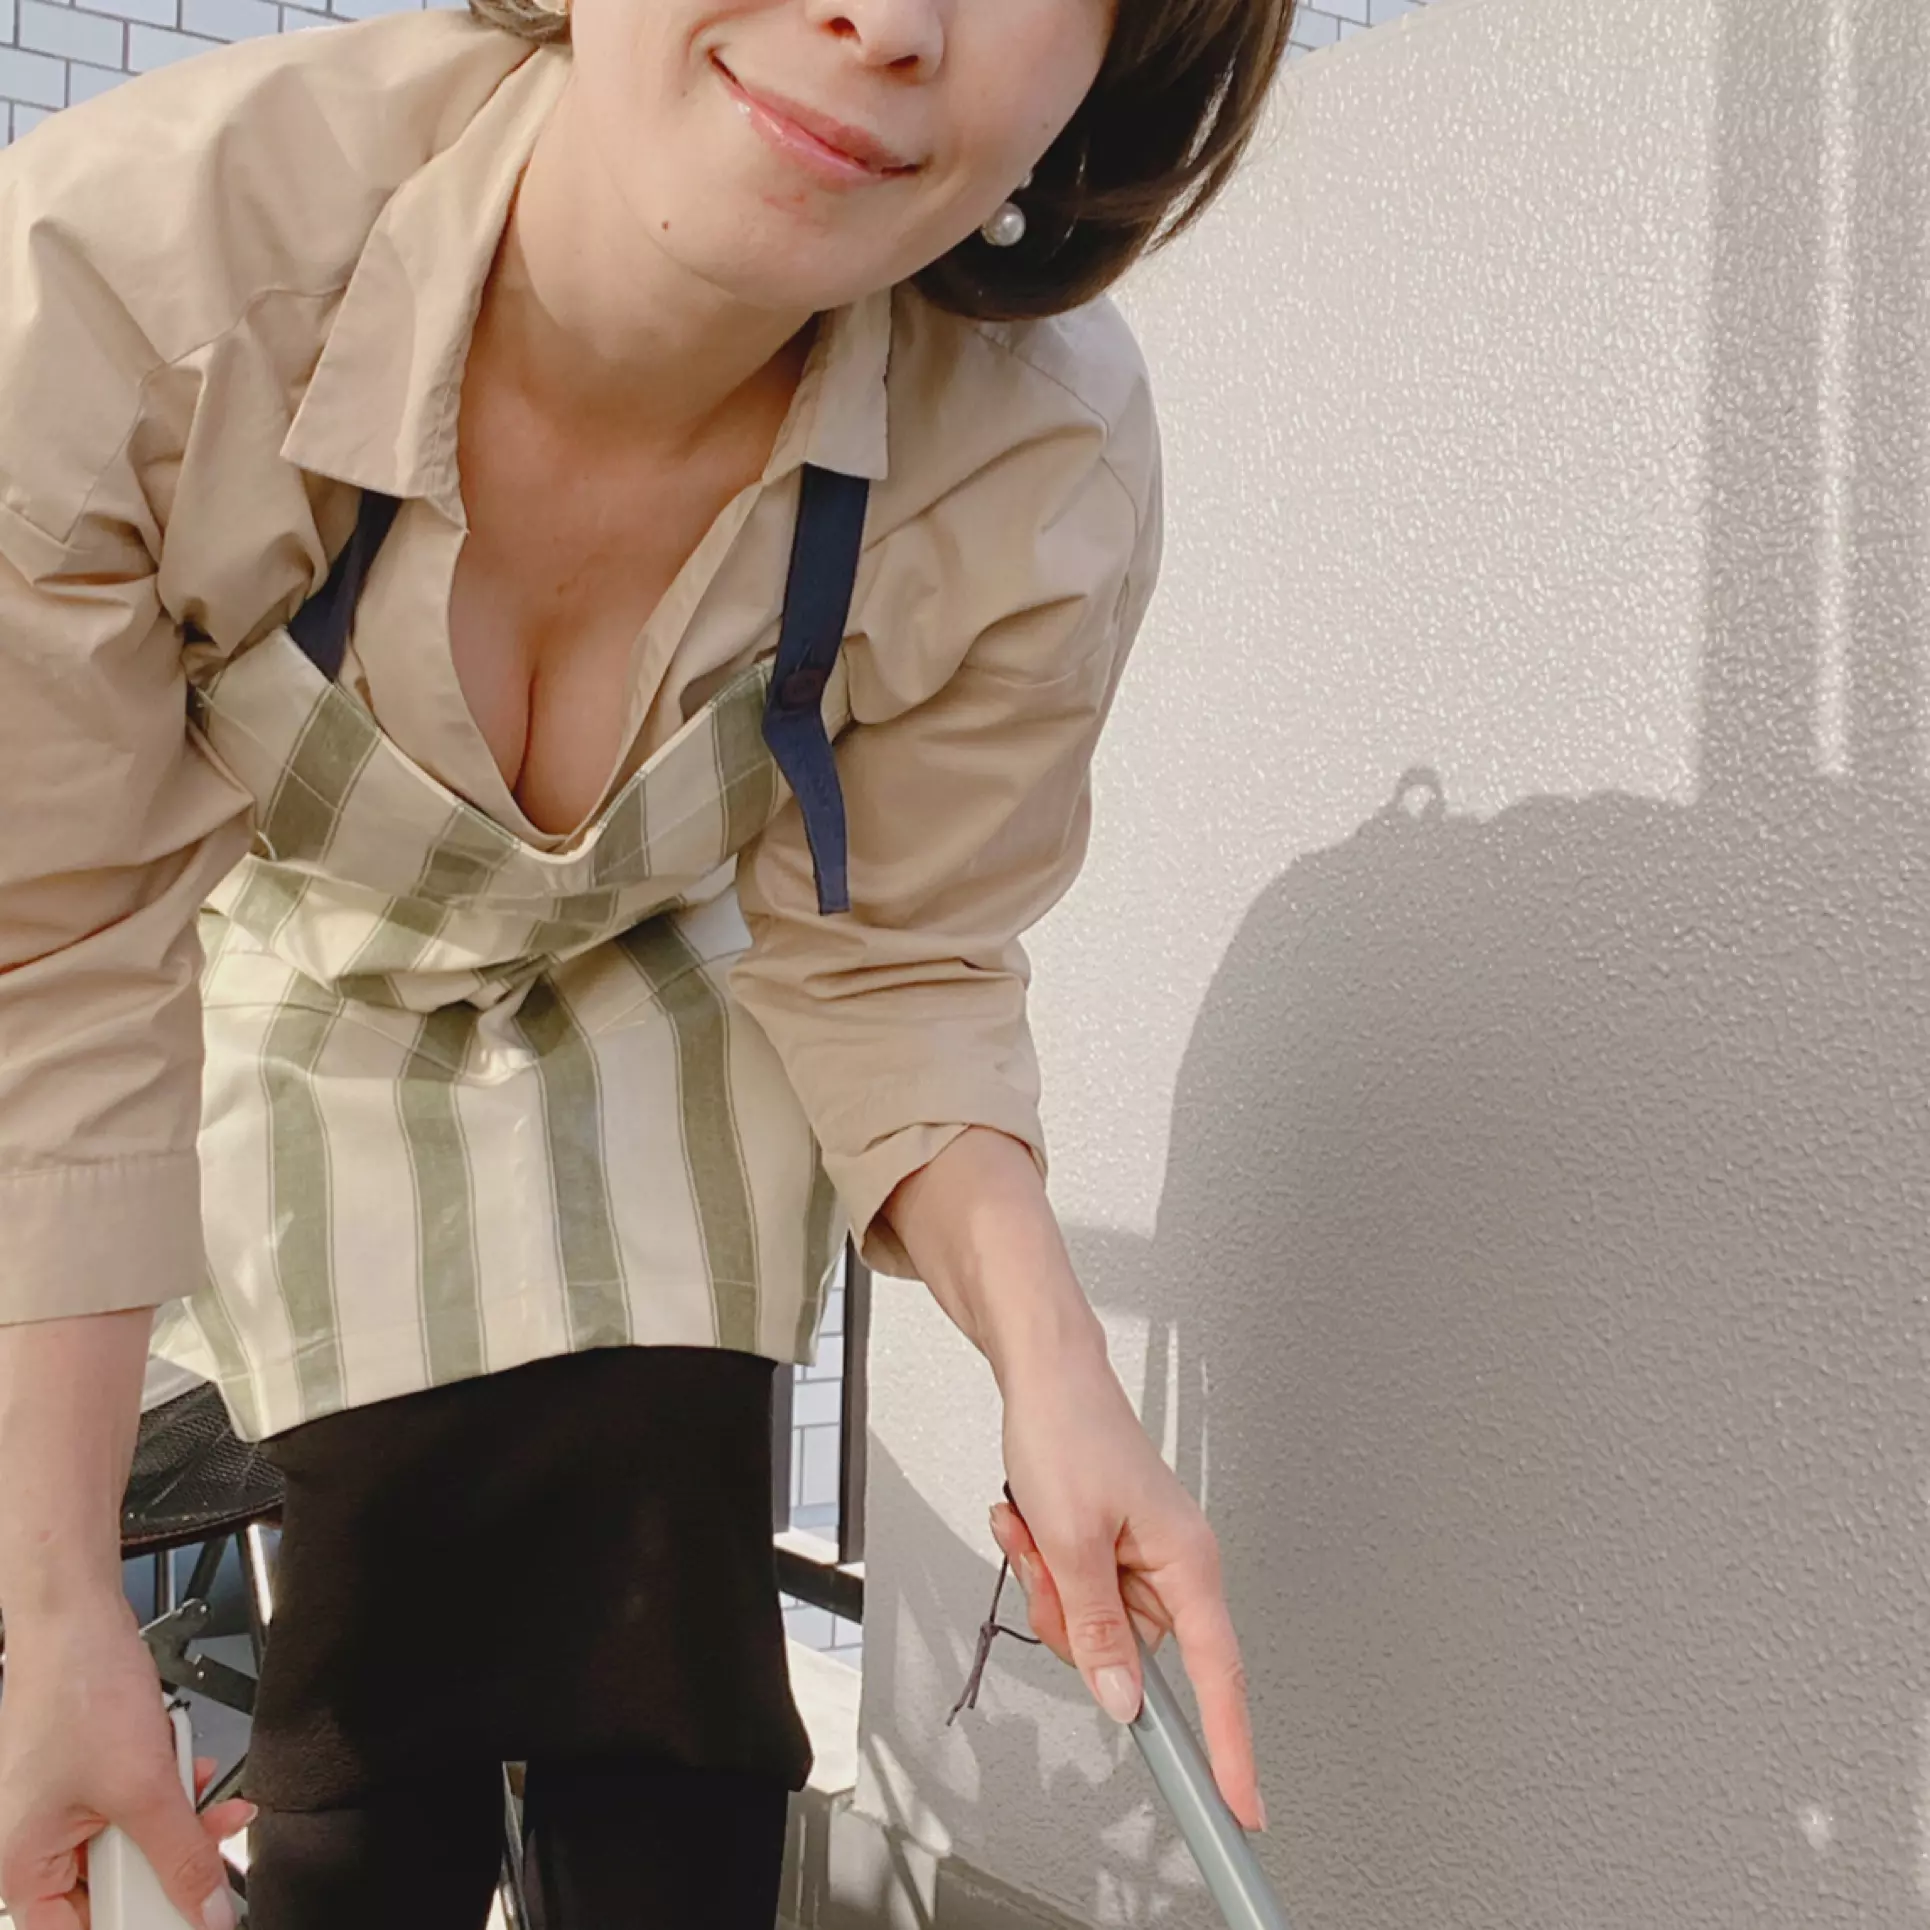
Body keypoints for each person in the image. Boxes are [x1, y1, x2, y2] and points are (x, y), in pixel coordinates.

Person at [0, 0, 1289, 1922]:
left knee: (670, 1676)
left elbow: (897, 959)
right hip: (308, 1002)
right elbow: (57, 957)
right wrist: (52, 1608)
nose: (887, 20)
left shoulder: (1034, 456)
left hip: (659, 1007)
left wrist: (1057, 1373)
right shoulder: (118, 286)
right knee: (374, 1690)